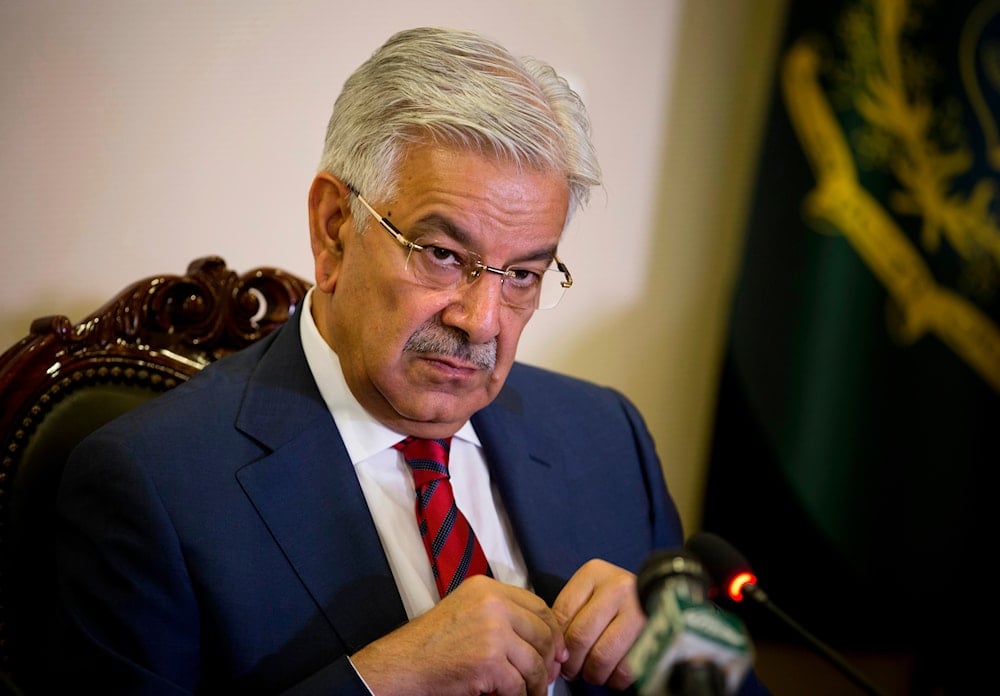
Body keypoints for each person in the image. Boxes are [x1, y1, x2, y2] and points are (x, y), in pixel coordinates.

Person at [53, 27, 769, 695]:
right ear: (335, 231)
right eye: (444, 255)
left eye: (523, 274)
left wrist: (679, 660)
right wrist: (377, 681)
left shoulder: (605, 437)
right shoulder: (153, 485)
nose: (481, 320)